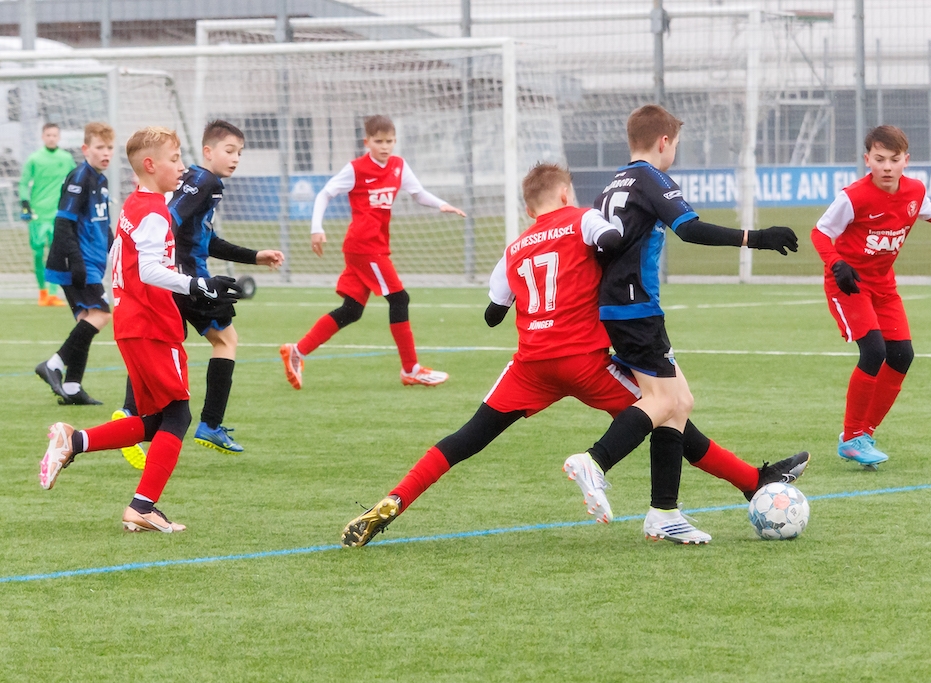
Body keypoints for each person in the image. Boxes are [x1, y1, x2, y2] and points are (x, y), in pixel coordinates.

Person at [342, 164, 807, 547]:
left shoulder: (514, 247)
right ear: (566, 193)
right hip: (585, 361)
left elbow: (492, 314)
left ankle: (396, 499)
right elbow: (612, 241)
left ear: (528, 209)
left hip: (531, 366)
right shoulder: (583, 218)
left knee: (467, 438)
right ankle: (744, 483)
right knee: (667, 411)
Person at [568, 104, 804, 544]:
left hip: (617, 307)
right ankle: (595, 461)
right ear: (665, 142)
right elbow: (689, 228)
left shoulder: (611, 185)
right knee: (663, 401)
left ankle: (664, 513)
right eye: (675, 143)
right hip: (637, 308)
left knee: (680, 402)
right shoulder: (651, 178)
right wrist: (755, 238)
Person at [38, 126, 242, 532]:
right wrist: (199, 285)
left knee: (158, 420)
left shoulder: (135, 203)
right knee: (179, 416)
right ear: (150, 165)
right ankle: (143, 506)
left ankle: (74, 441)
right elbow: (148, 270)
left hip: (133, 322)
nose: (182, 167)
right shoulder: (152, 212)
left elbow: (126, 259)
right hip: (152, 324)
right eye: (174, 160)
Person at [811, 125, 931, 468]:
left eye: (894, 159)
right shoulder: (853, 197)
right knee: (874, 351)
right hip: (849, 285)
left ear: (906, 160)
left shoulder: (914, 191)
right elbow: (820, 233)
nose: (887, 167)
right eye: (879, 159)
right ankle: (852, 437)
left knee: (902, 355)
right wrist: (836, 263)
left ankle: (863, 434)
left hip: (884, 287)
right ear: (867, 160)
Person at [115, 120, 285, 458]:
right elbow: (168, 219)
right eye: (229, 150)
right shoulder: (203, 181)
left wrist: (254, 256)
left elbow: (205, 239)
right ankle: (209, 424)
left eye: (239, 153)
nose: (235, 158)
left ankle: (130, 412)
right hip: (189, 279)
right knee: (226, 340)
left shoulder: (202, 181)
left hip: (177, 277)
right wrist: (179, 272)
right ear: (208, 151)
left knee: (164, 341)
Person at [279, 114, 466, 390]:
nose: (385, 146)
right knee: (399, 299)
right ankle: (411, 369)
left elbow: (418, 193)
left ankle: (297, 351)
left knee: (352, 310)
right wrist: (316, 228)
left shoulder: (399, 166)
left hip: (372, 247)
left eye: (389, 141)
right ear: (367, 142)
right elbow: (324, 194)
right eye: (379, 141)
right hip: (364, 246)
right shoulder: (356, 169)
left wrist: (441, 204)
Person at [34, 122, 116, 405]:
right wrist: (77, 263)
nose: (106, 153)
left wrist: (117, 251)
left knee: (86, 321)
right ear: (85, 149)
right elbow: (63, 222)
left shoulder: (101, 181)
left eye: (109, 148)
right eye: (99, 147)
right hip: (77, 262)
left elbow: (103, 225)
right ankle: (53, 364)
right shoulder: (80, 177)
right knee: (101, 315)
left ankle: (71, 387)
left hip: (91, 263)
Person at [19, 122, 77, 307]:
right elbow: (23, 183)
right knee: (38, 253)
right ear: (43, 137)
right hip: (38, 213)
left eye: (54, 135)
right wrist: (25, 205)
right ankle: (42, 292)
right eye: (48, 135)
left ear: (59, 137)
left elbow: (75, 181)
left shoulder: (66, 158)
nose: (51, 138)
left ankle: (52, 294)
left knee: (57, 254)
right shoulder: (34, 159)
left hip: (59, 213)